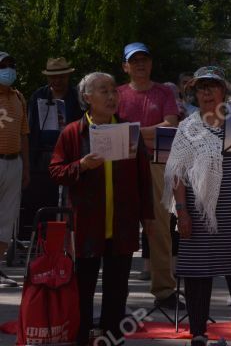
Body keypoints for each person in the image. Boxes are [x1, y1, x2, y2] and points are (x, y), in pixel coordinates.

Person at [49, 72, 154, 345]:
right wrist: (81, 166)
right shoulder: (73, 132)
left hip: (122, 225)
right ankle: (81, 338)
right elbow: (55, 171)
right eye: (103, 91)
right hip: (86, 226)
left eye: (113, 91)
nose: (111, 96)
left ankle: (111, 338)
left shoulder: (129, 131)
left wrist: (148, 218)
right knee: (83, 289)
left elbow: (144, 177)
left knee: (117, 291)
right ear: (87, 98)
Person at [163, 66, 231, 346]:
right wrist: (181, 212)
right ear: (194, 93)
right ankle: (198, 334)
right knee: (197, 274)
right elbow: (178, 174)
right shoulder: (188, 127)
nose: (206, 92)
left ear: (223, 91)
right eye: (201, 87)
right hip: (198, 213)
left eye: (212, 86)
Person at [117, 42, 180, 309]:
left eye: (144, 59)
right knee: (120, 226)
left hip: (157, 163)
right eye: (135, 60)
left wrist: (131, 132)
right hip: (123, 164)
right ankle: (116, 290)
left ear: (151, 63)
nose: (140, 64)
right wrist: (148, 132)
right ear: (125, 66)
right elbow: (109, 128)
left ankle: (165, 290)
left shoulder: (164, 92)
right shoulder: (117, 93)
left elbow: (171, 126)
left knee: (160, 227)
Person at [24, 58, 83, 238]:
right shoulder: (38, 95)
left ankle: (64, 243)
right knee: (41, 199)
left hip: (68, 155)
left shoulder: (76, 97)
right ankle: (41, 243)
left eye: (61, 77)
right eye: (53, 77)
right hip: (41, 155)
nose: (56, 81)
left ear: (67, 76)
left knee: (66, 201)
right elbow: (29, 127)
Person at [0, 51, 29, 288]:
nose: (8, 69)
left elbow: (24, 134)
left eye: (11, 64)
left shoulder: (19, 97)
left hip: (14, 162)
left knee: (7, 219)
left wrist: (26, 167)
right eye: (2, 65)